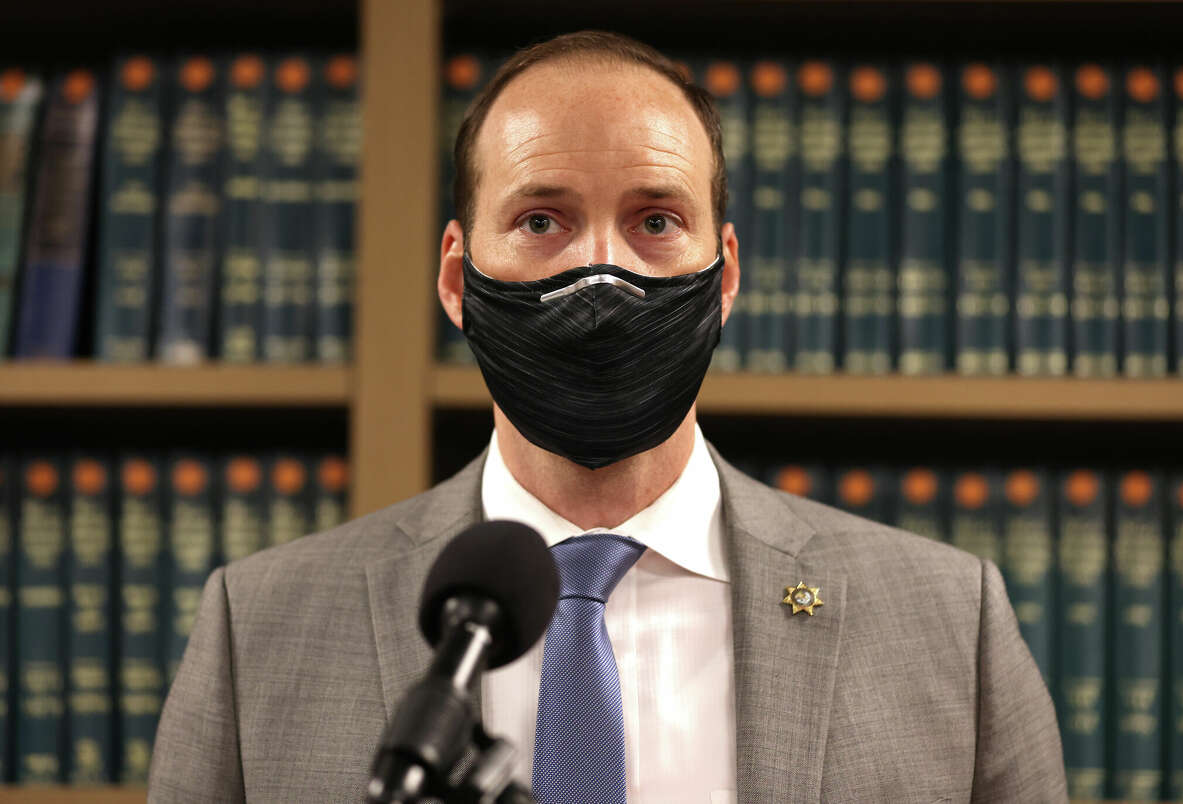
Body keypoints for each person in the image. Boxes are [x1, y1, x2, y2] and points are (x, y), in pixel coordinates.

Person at [149, 31, 1068, 803]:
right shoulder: (257, 629)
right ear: (456, 279)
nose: (600, 273)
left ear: (726, 277)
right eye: (541, 221)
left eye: (655, 222)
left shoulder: (952, 624)